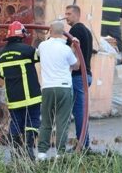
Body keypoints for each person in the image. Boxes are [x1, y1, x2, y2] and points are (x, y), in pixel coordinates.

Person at [0, 21, 41, 159]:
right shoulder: (27, 50)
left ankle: (15, 152)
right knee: (32, 120)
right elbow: (40, 56)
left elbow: (1, 74)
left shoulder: (1, 55)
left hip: (14, 99)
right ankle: (28, 148)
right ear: (22, 35)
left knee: (16, 122)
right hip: (31, 96)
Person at [36, 20, 79, 160]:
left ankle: (41, 154)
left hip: (47, 88)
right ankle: (60, 154)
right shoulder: (66, 49)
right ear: (63, 33)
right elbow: (76, 65)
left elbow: (38, 55)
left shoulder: (42, 46)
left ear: (49, 30)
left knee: (46, 122)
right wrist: (75, 49)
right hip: (64, 88)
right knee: (62, 122)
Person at [65, 4, 93, 150]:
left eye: (69, 14)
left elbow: (67, 52)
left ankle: (83, 145)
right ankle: (83, 143)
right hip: (87, 75)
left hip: (78, 76)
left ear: (77, 14)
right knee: (80, 110)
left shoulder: (74, 30)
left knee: (79, 111)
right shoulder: (87, 31)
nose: (66, 17)